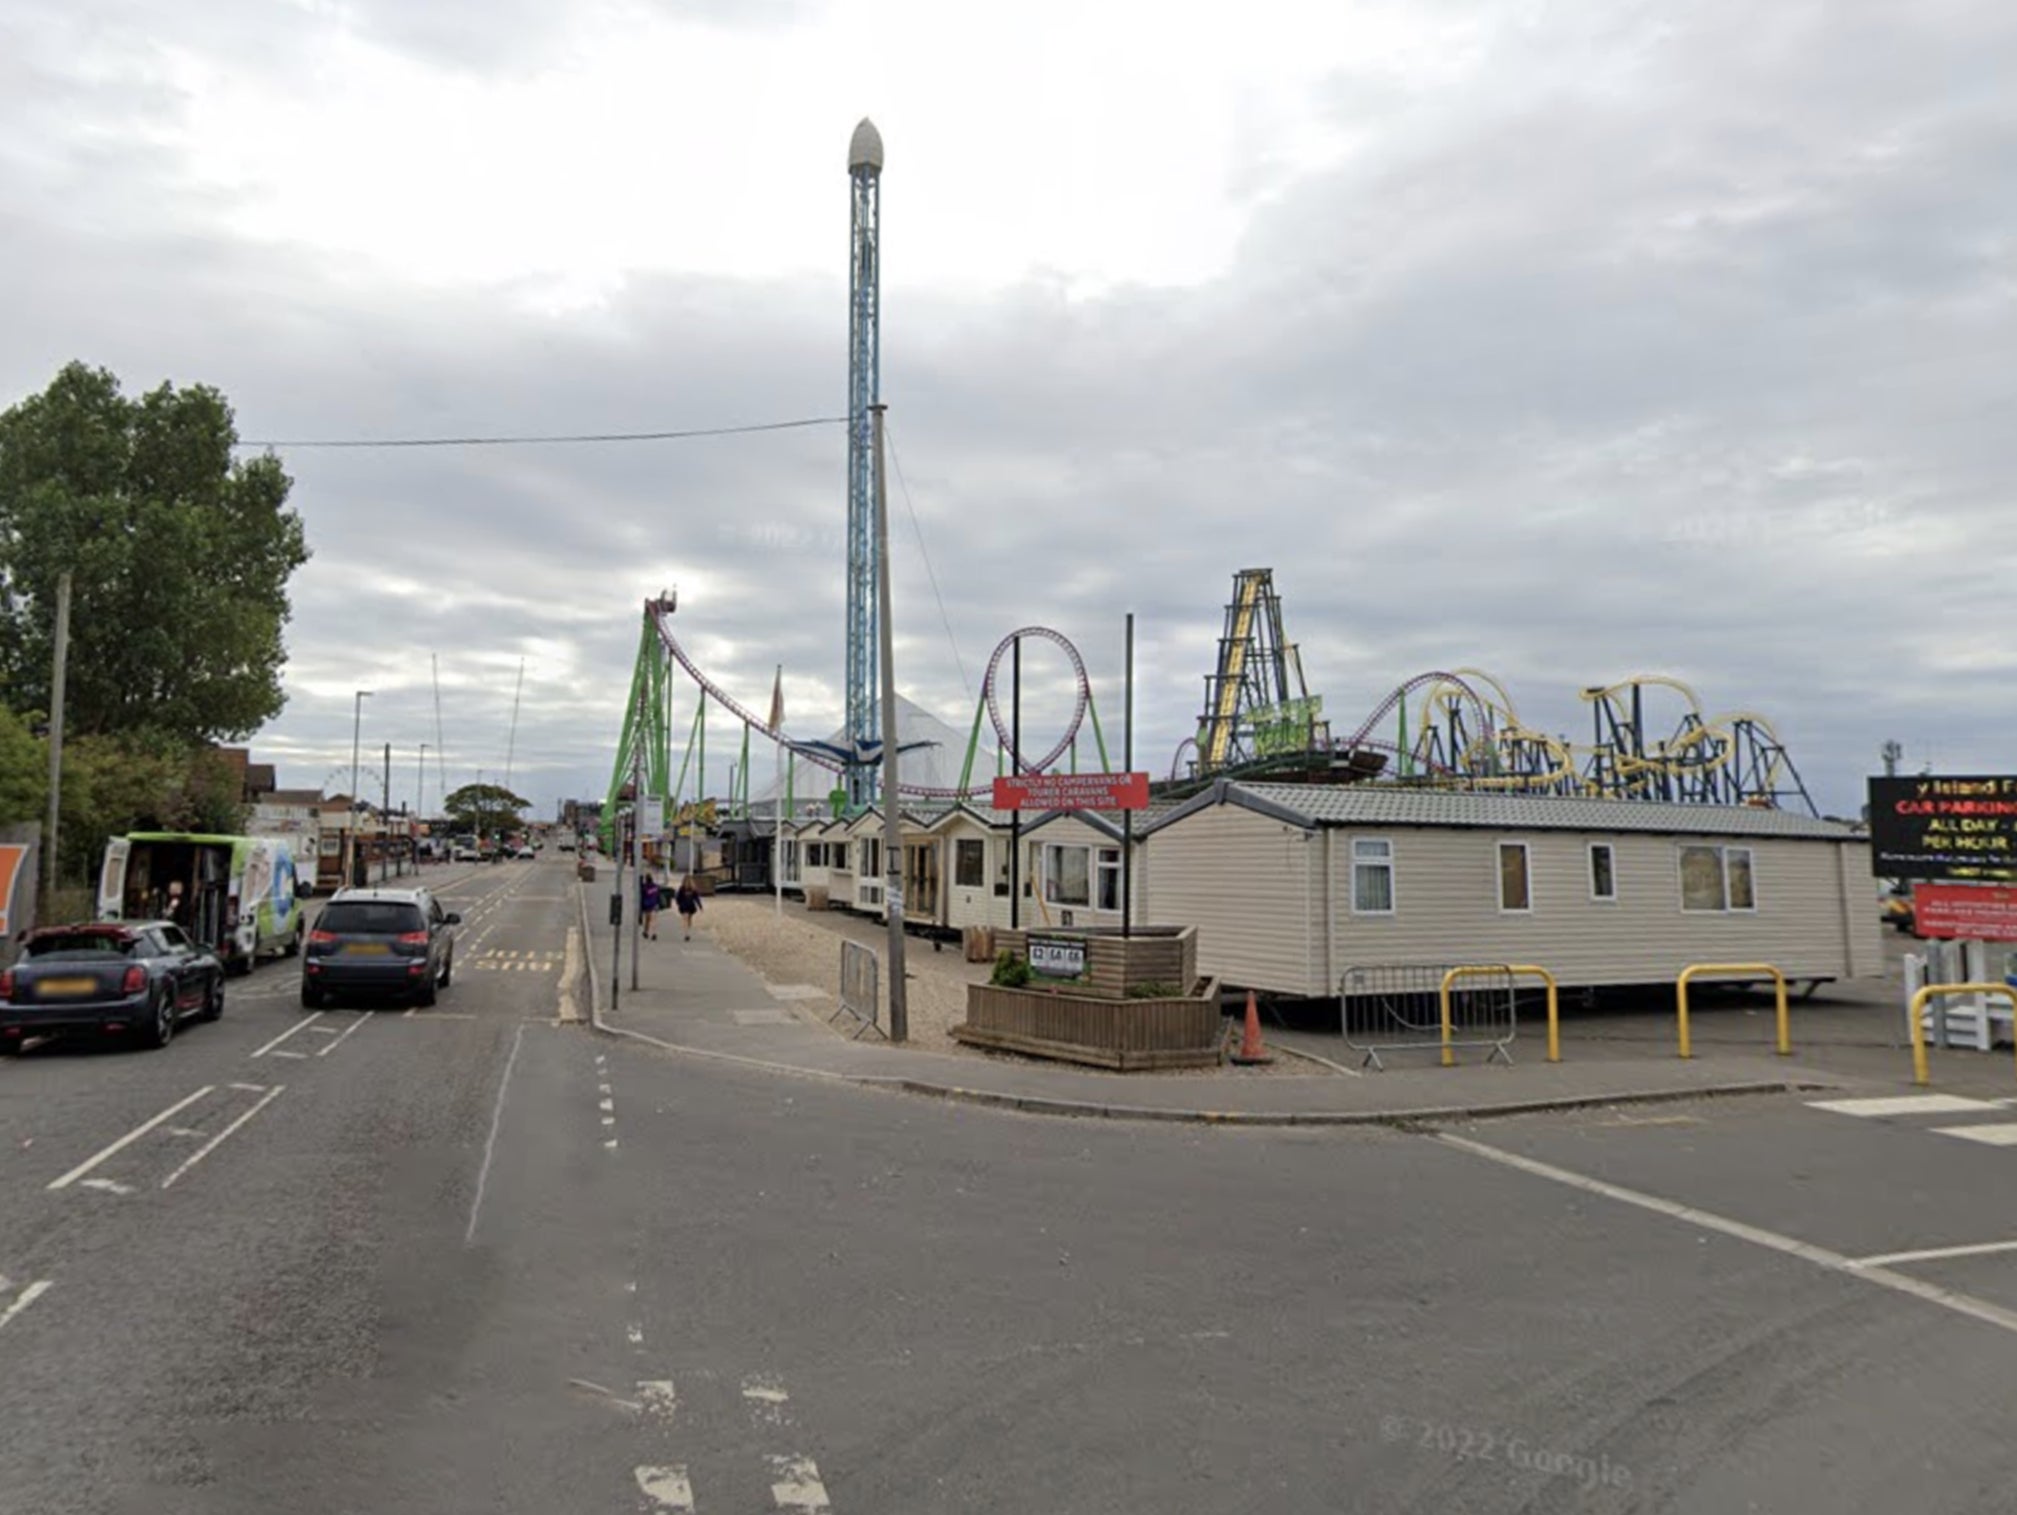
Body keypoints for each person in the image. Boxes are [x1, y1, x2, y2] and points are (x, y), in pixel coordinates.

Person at [674, 876, 703, 941]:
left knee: (685, 920)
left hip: (684, 906)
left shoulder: (682, 888)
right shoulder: (693, 889)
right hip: (691, 906)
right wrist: (700, 906)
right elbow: (697, 899)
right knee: (689, 919)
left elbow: (678, 897)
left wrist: (678, 903)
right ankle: (688, 933)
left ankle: (686, 934)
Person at [639, 873, 661, 940]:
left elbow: (642, 896)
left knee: (647, 919)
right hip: (654, 904)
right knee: (653, 919)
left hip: (647, 905)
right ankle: (654, 933)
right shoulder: (656, 886)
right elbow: (658, 896)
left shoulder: (644, 887)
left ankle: (646, 931)